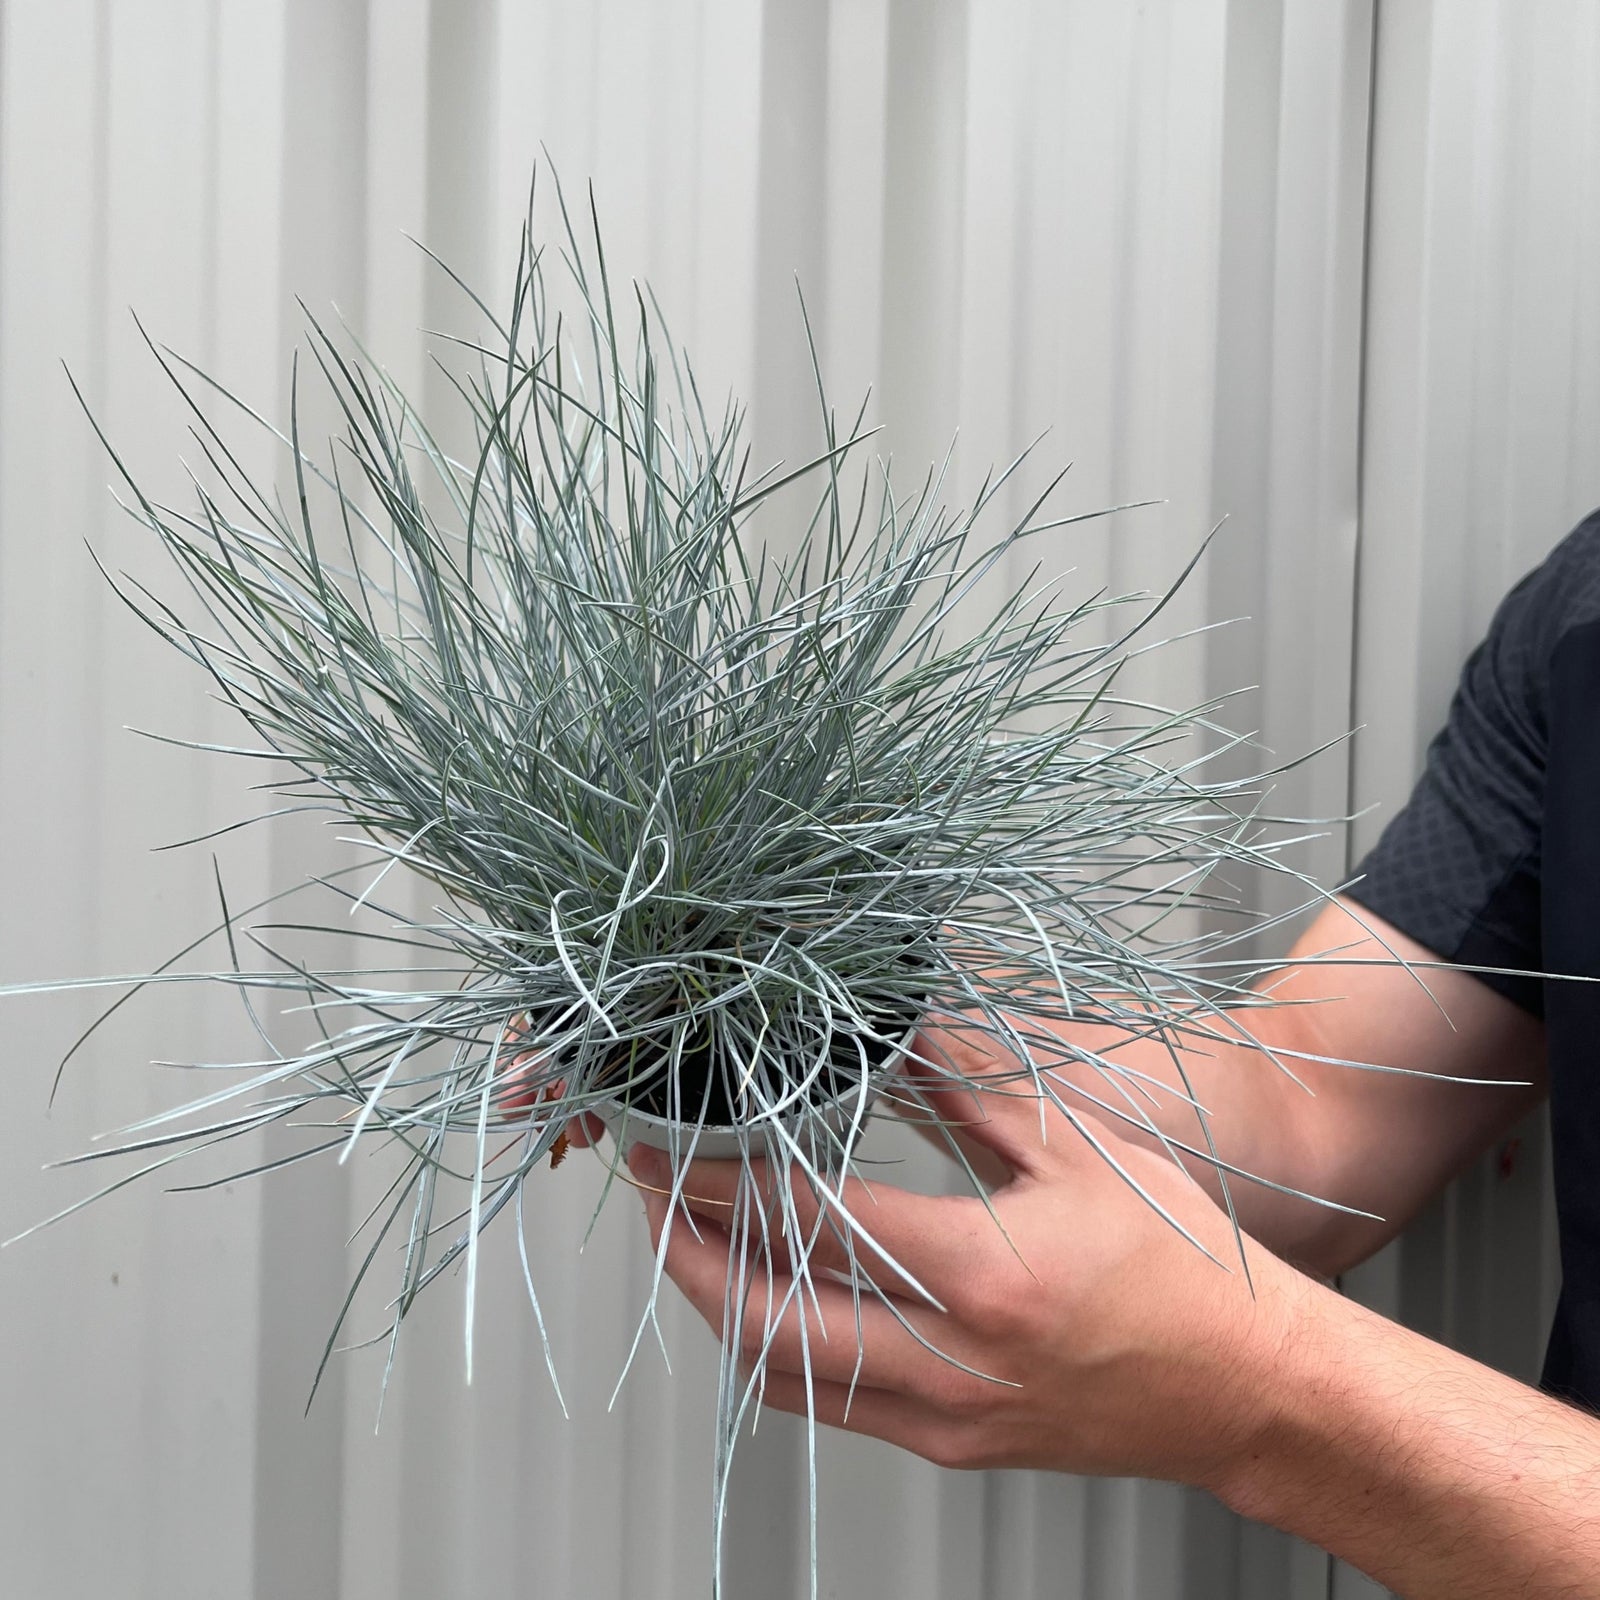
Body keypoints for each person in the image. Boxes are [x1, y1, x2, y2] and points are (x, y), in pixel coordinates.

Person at [620, 509, 1600, 1598]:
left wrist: (1265, 1396)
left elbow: (1270, 1358)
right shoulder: (1584, 609)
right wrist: (817, 952)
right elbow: (1317, 1097)